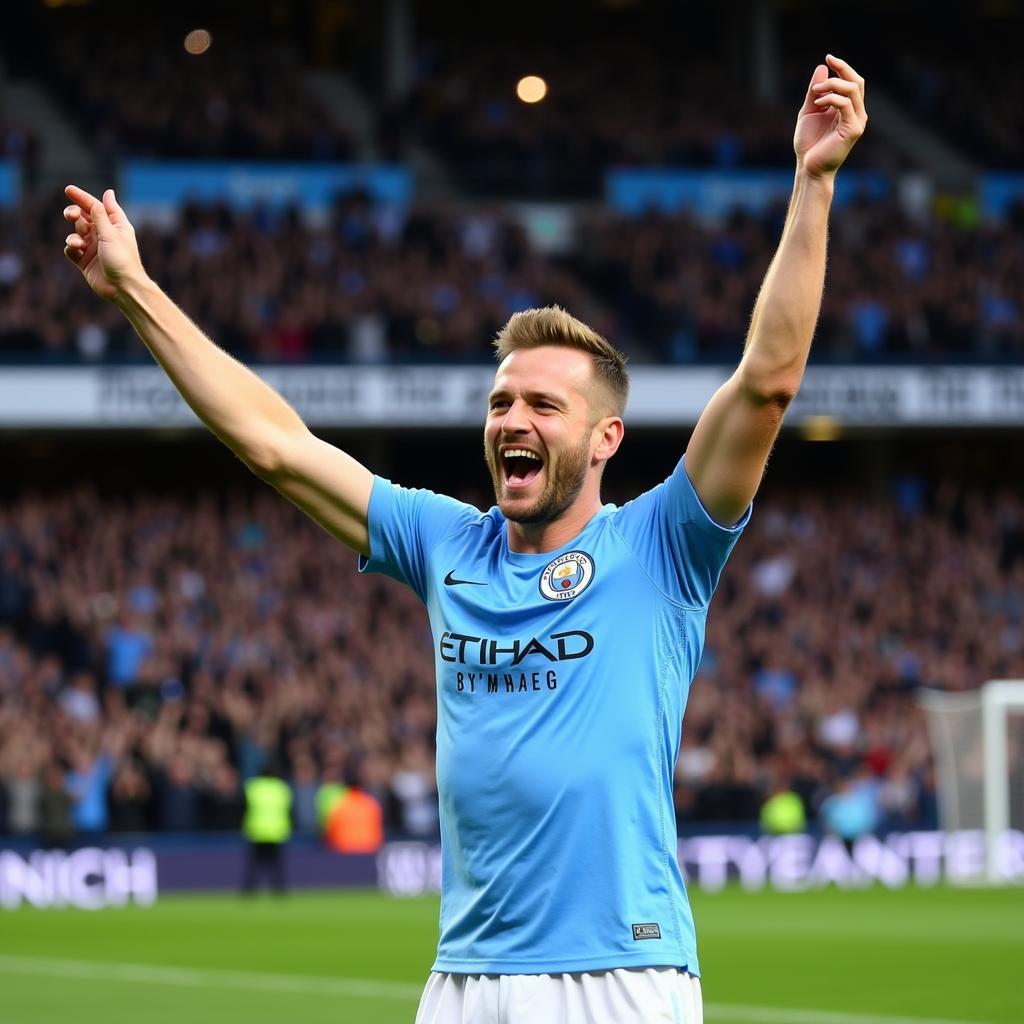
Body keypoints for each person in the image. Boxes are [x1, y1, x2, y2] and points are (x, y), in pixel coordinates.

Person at [62, 54, 866, 1024]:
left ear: (606, 436)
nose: (509, 419)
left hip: (621, 973)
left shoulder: (662, 545)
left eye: (541, 403)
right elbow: (277, 447)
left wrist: (811, 182)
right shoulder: (445, 543)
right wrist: (136, 289)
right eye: (498, 401)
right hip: (464, 980)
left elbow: (767, 380)